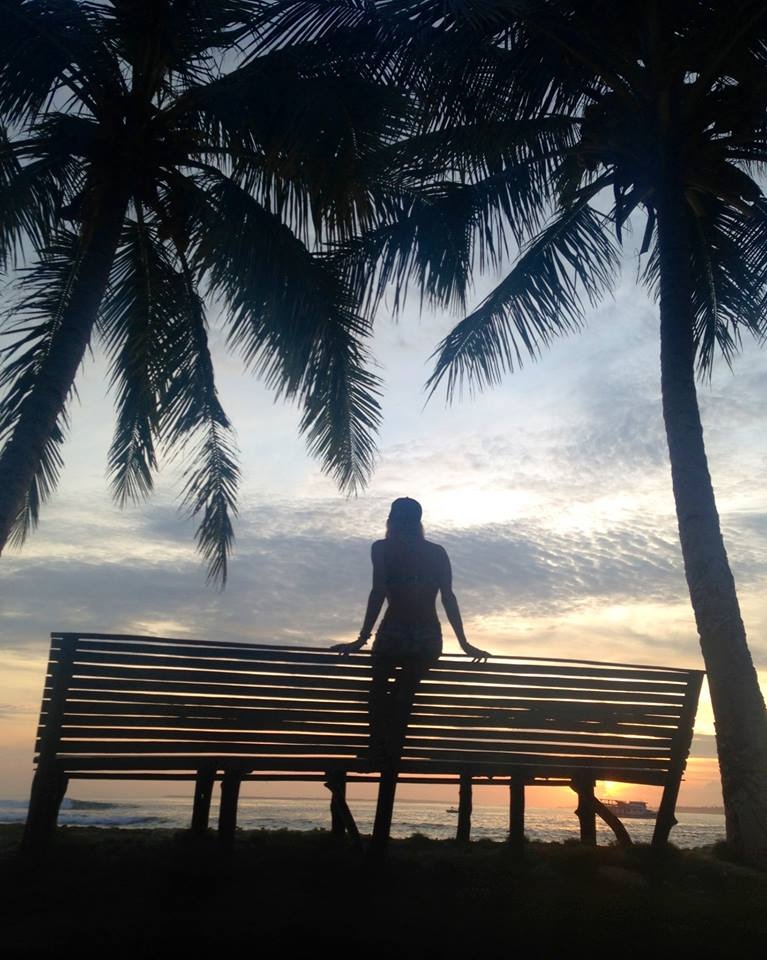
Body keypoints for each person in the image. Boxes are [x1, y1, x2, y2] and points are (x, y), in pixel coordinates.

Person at [331, 497, 490, 763]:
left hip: (393, 633)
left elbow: (378, 592)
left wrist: (362, 638)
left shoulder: (382, 548)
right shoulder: (436, 552)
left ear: (391, 520)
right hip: (427, 638)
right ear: (419, 521)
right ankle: (393, 749)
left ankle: (376, 747)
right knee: (405, 690)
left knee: (379, 688)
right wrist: (463, 643)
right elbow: (448, 597)